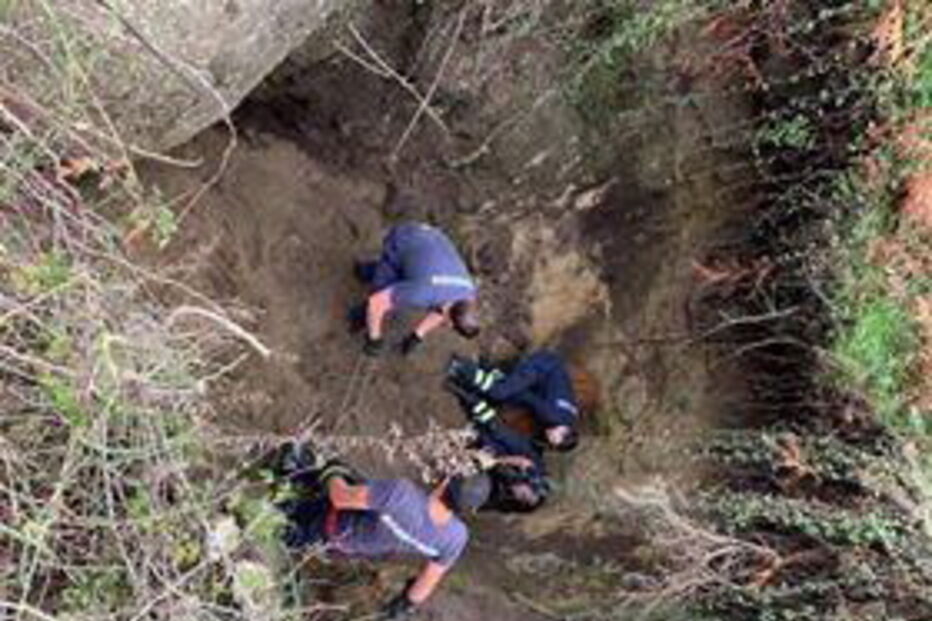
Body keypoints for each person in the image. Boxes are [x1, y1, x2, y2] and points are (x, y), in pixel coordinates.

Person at [274, 445, 490, 618]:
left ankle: (289, 478)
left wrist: (332, 471)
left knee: (301, 503)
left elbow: (339, 497)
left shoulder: (402, 494)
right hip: (348, 548)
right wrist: (400, 608)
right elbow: (426, 583)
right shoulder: (455, 537)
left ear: (446, 481)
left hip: (325, 523)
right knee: (362, 488)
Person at [352, 222, 480, 356]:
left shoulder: (468, 294)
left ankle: (378, 271)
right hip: (405, 237)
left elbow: (442, 311)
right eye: (451, 326)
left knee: (412, 275)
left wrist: (417, 336)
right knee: (380, 291)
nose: (448, 326)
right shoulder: (422, 293)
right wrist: (374, 339)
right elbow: (376, 302)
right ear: (451, 323)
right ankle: (362, 310)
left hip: (433, 240)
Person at [447, 350, 590, 452]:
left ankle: (487, 370)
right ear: (563, 432)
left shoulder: (570, 418)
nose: (549, 438)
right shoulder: (551, 416)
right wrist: (507, 389)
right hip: (542, 367)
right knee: (499, 392)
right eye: (554, 439)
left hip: (550, 369)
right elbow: (527, 398)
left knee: (508, 389)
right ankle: (460, 366)